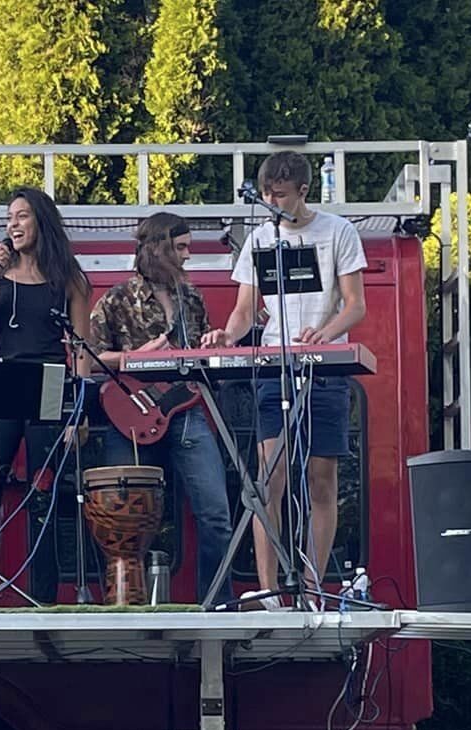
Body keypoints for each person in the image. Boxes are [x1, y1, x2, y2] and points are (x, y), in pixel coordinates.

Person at [202, 150, 367, 606]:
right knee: (267, 478)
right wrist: (226, 337)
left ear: (303, 192)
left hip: (326, 367)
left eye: (282, 195)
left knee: (321, 479)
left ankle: (313, 587)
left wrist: (325, 333)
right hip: (274, 367)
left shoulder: (338, 232)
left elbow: (355, 304)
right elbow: (242, 311)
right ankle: (271, 587)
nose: (274, 203)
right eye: (268, 195)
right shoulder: (259, 239)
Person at [88, 212, 233, 600]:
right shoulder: (116, 298)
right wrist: (134, 356)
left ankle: (217, 606)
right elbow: (86, 359)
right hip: (131, 415)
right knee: (122, 517)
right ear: (158, 248)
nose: (188, 256)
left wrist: (216, 345)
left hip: (187, 411)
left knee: (216, 515)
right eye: (181, 247)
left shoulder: (192, 297)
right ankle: (124, 604)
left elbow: (200, 354)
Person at [0, 187, 92, 605]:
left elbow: (80, 347)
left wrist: (80, 410)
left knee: (45, 494)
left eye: (21, 216)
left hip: (50, 381)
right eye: (9, 218)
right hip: (0, 381)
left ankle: (43, 597)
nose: (12, 225)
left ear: (42, 220)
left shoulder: (69, 276)